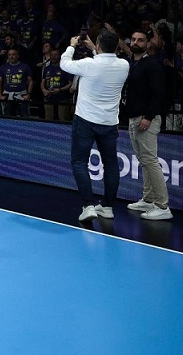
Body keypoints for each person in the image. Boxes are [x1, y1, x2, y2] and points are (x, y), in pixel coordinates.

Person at [60, 29, 129, 222]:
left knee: (79, 162)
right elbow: (104, 62)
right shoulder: (124, 65)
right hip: (109, 123)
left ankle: (88, 205)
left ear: (99, 45)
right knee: (111, 164)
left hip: (85, 121)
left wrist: (72, 46)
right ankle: (107, 207)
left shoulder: (88, 64)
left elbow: (64, 64)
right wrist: (94, 49)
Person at [124, 30, 172, 220]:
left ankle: (162, 205)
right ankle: (149, 198)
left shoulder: (152, 64)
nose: (136, 42)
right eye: (133, 39)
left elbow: (159, 94)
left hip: (146, 119)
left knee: (150, 161)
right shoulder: (132, 63)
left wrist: (149, 117)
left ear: (147, 44)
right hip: (133, 117)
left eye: (140, 40)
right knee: (143, 160)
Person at [0, 48, 33, 117]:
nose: (11, 56)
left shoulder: (25, 66)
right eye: (9, 55)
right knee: (8, 118)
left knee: (25, 117)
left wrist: (28, 94)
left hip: (22, 95)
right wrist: (0, 95)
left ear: (18, 56)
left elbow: (30, 81)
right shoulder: (3, 67)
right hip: (8, 96)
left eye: (13, 54)